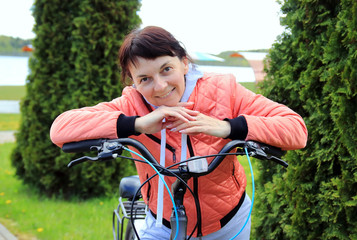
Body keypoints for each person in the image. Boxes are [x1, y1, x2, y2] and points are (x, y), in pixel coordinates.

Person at [50, 26, 308, 239]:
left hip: (228, 224)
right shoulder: (132, 104)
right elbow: (60, 129)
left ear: (184, 63)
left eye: (166, 69)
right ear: (133, 81)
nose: (160, 86)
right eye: (145, 79)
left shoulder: (224, 91)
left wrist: (229, 127)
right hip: (160, 226)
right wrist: (137, 124)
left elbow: (296, 129)